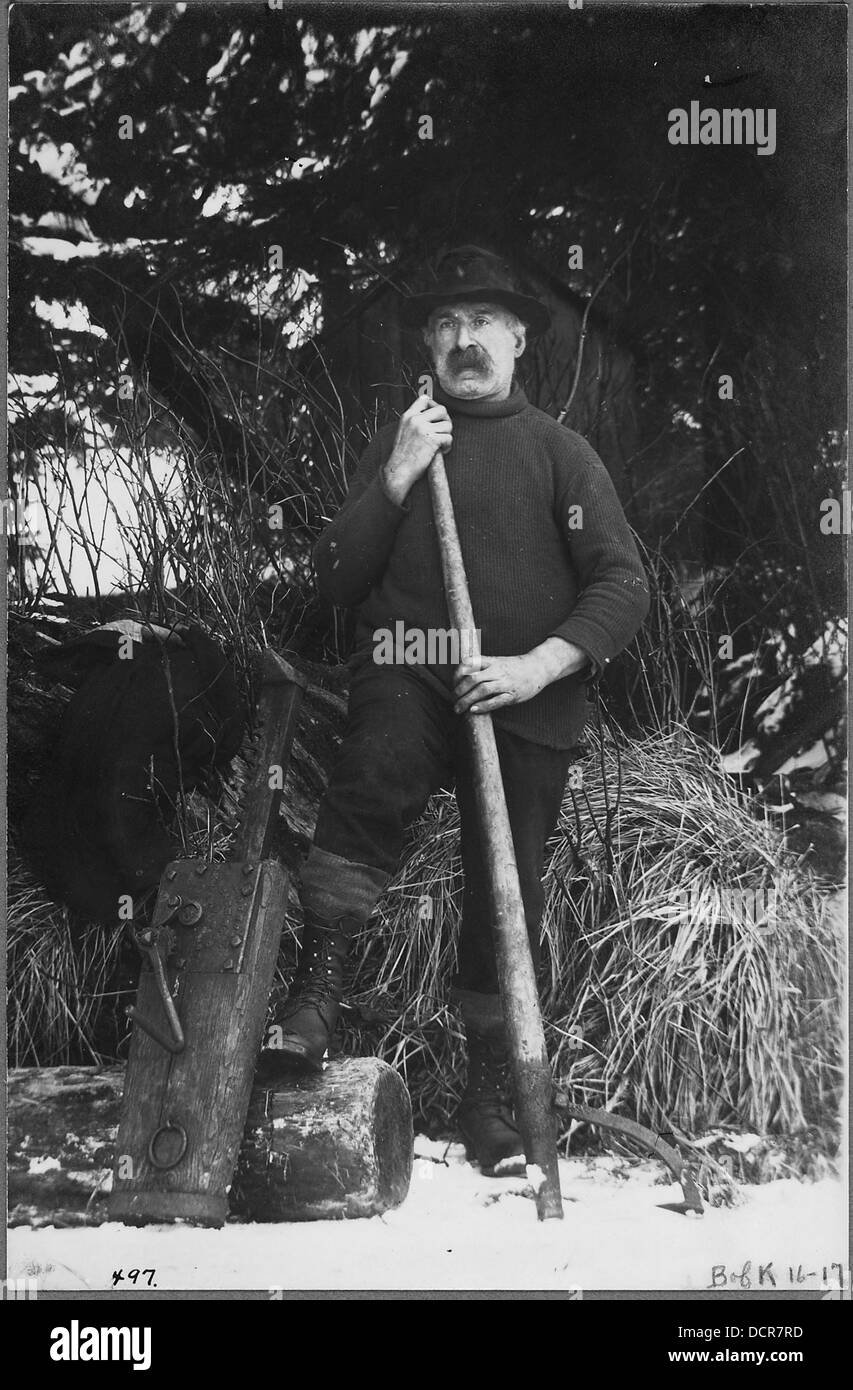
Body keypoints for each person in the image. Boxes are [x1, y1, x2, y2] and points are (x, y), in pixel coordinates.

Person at [259, 246, 650, 1174]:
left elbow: (622, 585)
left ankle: (489, 1091)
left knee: (506, 869)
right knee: (376, 766)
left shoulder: (559, 452)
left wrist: (535, 667)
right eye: (445, 324)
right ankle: (316, 996)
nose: (464, 339)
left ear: (518, 340)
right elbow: (331, 585)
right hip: (410, 664)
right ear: (429, 346)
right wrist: (394, 475)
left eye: (483, 322)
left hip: (523, 687)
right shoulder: (406, 440)